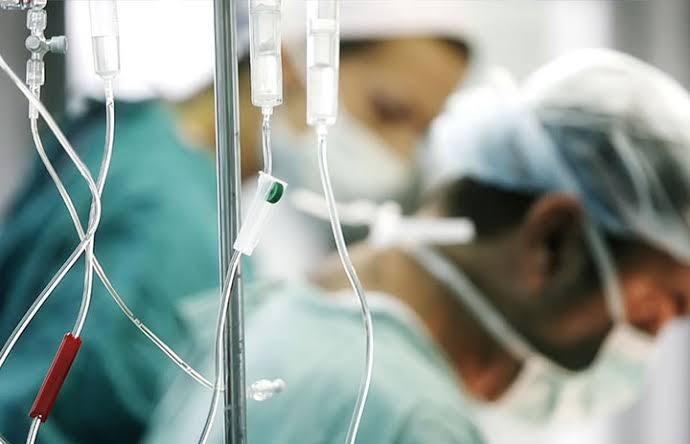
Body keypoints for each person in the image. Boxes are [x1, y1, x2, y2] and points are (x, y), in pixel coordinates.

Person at [142, 49, 690, 444]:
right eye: (661, 307)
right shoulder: (412, 419)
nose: (649, 346)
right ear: (553, 243)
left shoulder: (264, 324)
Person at [0, 2, 222, 442]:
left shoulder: (125, 140)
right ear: (287, 71)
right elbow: (85, 397)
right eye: (370, 106)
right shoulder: (170, 205)